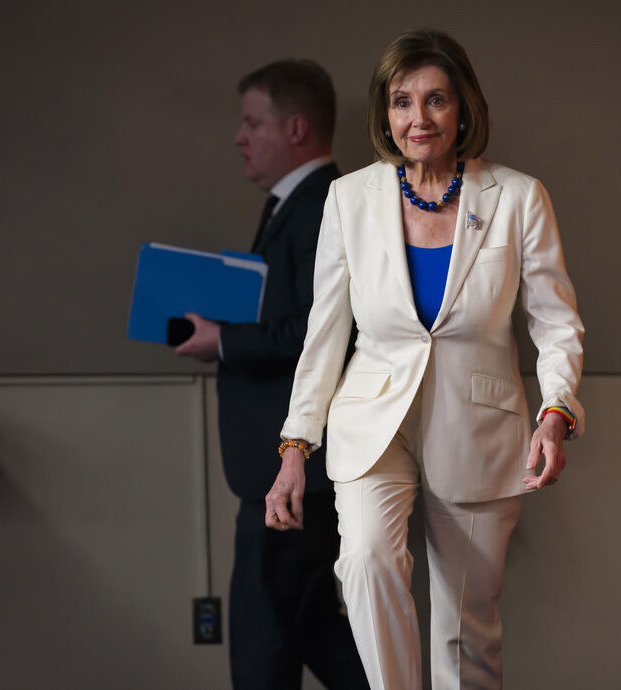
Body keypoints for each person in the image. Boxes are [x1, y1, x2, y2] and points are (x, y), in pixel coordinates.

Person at [264, 29, 585, 689]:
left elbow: (555, 322)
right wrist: (296, 445)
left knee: (466, 630)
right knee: (366, 565)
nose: (419, 118)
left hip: (479, 423)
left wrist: (557, 412)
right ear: (385, 113)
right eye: (402, 101)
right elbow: (325, 332)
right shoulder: (350, 198)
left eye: (436, 99)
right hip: (371, 420)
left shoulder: (519, 197)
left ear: (463, 108)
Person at [174, 59, 368, 690]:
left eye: (252, 123)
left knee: (271, 642)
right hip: (284, 474)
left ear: (296, 128)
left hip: (293, 474)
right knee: (297, 630)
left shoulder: (320, 206)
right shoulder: (295, 204)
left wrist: (225, 341)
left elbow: (325, 328)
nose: (240, 138)